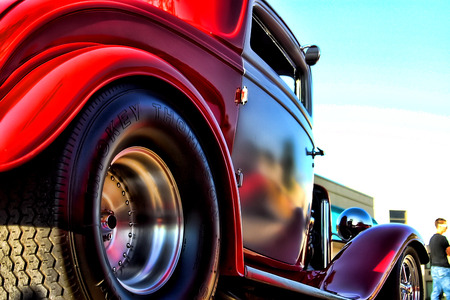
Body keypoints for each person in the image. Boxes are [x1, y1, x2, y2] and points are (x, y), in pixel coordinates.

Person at [429, 218, 450, 299]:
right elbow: (449, 252)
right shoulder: (443, 238)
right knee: (449, 291)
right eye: (445, 226)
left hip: (434, 268)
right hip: (443, 269)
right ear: (440, 226)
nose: (446, 228)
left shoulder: (432, 239)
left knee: (436, 292)